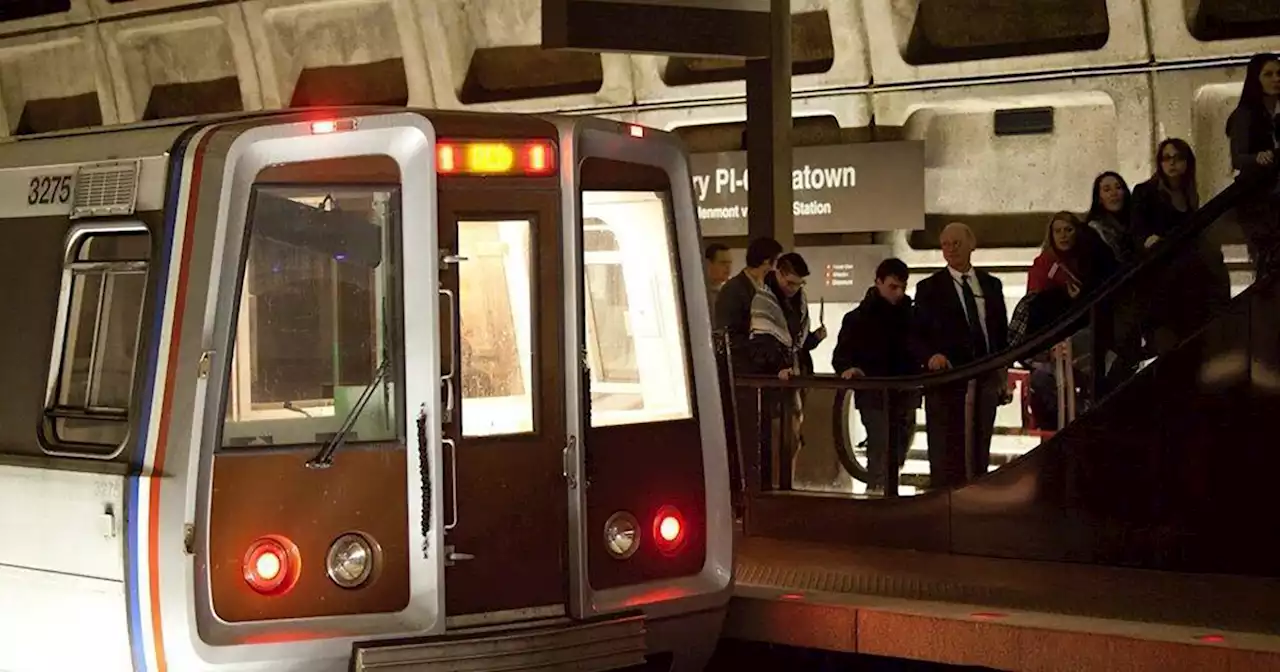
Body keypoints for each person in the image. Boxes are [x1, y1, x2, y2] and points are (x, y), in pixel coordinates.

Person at [912, 222, 1010, 489]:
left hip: (986, 379)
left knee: (980, 444)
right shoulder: (928, 288)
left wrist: (1002, 373)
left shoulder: (991, 285)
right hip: (949, 382)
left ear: (971, 244)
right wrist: (931, 356)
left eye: (956, 243)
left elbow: (1000, 332)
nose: (951, 249)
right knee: (948, 449)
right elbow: (916, 333)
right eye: (946, 244)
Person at [1131, 138, 1231, 352]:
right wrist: (1148, 240)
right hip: (1161, 273)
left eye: (1178, 158)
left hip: (1188, 273)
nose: (1172, 163)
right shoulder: (1145, 191)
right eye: (1166, 158)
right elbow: (1137, 228)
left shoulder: (1189, 195)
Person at [831, 258, 921, 492]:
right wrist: (848, 369)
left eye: (902, 287)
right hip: (875, 395)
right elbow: (841, 356)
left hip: (905, 393)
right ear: (878, 282)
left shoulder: (911, 317)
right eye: (893, 286)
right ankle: (878, 496)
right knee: (881, 449)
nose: (899, 293)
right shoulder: (858, 319)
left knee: (899, 449)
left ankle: (882, 495)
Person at [1226, 52, 1280, 278]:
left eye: (1279, 73)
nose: (1276, 79)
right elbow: (1238, 158)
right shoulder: (1244, 115)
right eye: (1268, 74)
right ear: (1255, 79)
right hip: (1259, 200)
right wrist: (1257, 157)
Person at [715, 236, 782, 370]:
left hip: (767, 369)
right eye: (777, 262)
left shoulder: (769, 287)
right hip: (744, 370)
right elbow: (728, 334)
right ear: (767, 261)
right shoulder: (733, 289)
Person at [704, 242, 733, 312]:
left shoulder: (732, 292)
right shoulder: (697, 292)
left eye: (730, 263)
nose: (728, 267)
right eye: (723, 263)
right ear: (708, 264)